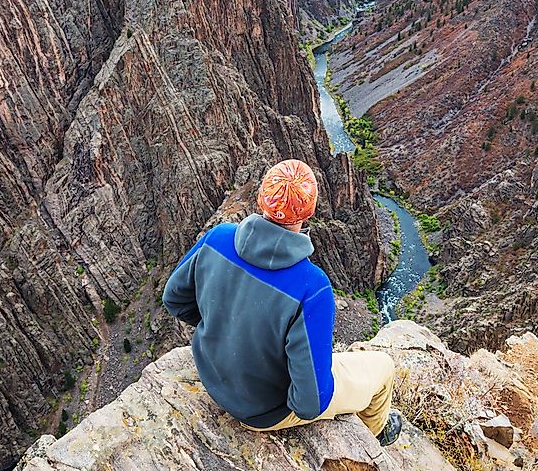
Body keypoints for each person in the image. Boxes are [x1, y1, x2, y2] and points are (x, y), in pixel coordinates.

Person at [162, 159, 403, 446]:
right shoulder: (312, 287)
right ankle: (376, 435)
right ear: (308, 212)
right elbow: (310, 403)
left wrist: (222, 327)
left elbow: (174, 299)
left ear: (261, 197)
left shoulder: (218, 238)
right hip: (262, 410)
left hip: (210, 373)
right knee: (383, 367)